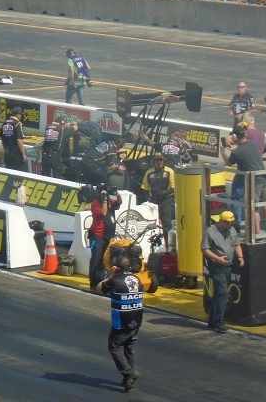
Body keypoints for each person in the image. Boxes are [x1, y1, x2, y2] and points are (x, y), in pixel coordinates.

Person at [97, 256, 144, 391]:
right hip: (136, 319)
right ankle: (128, 379)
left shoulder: (116, 280)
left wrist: (112, 274)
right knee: (129, 349)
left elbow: (99, 287)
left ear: (117, 268)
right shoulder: (137, 279)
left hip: (122, 321)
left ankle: (129, 372)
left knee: (114, 347)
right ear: (130, 267)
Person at [221, 126, 266, 234]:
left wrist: (223, 152)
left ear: (235, 137)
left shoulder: (237, 152)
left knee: (253, 207)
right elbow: (247, 154)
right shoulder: (252, 143)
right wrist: (235, 150)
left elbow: (229, 162)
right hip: (263, 175)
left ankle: (257, 233)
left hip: (254, 179)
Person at [201, 210, 244, 333]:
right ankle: (218, 321)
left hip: (228, 266)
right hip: (216, 266)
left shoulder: (232, 230)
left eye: (231, 223)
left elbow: (236, 244)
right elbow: (204, 249)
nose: (230, 225)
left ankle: (212, 320)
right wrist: (218, 259)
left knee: (219, 293)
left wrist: (240, 257)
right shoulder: (210, 232)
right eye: (228, 223)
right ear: (221, 221)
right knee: (223, 292)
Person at [88, 185, 121, 288]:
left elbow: (119, 203)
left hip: (107, 235)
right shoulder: (95, 202)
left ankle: (101, 279)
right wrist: (104, 200)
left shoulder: (110, 201)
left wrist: (117, 194)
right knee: (96, 258)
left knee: (103, 259)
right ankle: (93, 282)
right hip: (97, 235)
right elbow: (103, 212)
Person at [140, 153, 175, 247]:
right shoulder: (149, 172)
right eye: (157, 160)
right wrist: (148, 200)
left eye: (160, 160)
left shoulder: (169, 171)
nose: (159, 162)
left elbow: (173, 188)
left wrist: (163, 193)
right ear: (154, 161)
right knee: (152, 222)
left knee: (167, 223)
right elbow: (144, 188)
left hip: (166, 200)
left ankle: (168, 245)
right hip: (153, 201)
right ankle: (153, 244)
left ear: (164, 160)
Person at [0, 106, 26, 171]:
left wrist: (5, 151)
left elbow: (2, 138)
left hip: (7, 154)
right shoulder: (18, 124)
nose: (21, 116)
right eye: (20, 114)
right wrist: (24, 154)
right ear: (17, 114)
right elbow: (19, 140)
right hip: (16, 154)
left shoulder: (4, 123)